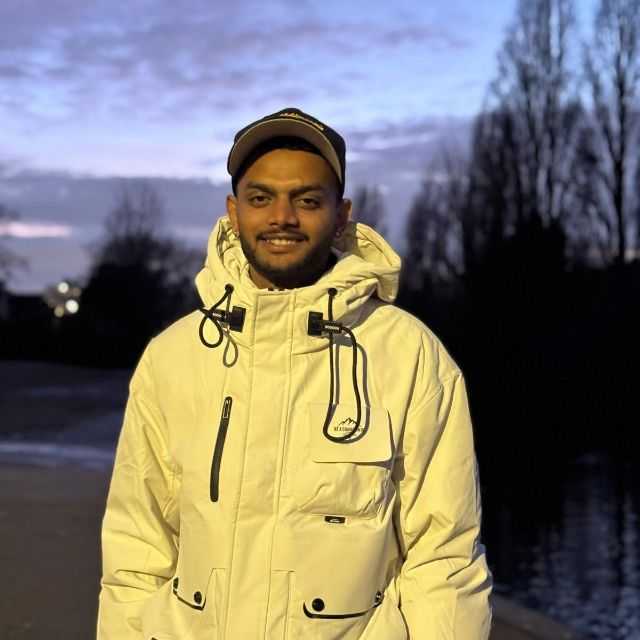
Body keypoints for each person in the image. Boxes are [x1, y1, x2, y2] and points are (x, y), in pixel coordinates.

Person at [97, 107, 493, 639]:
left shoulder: (410, 356)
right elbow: (136, 549)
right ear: (234, 212)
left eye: (307, 200)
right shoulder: (173, 357)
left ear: (341, 215)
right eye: (261, 198)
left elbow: (445, 558)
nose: (282, 217)